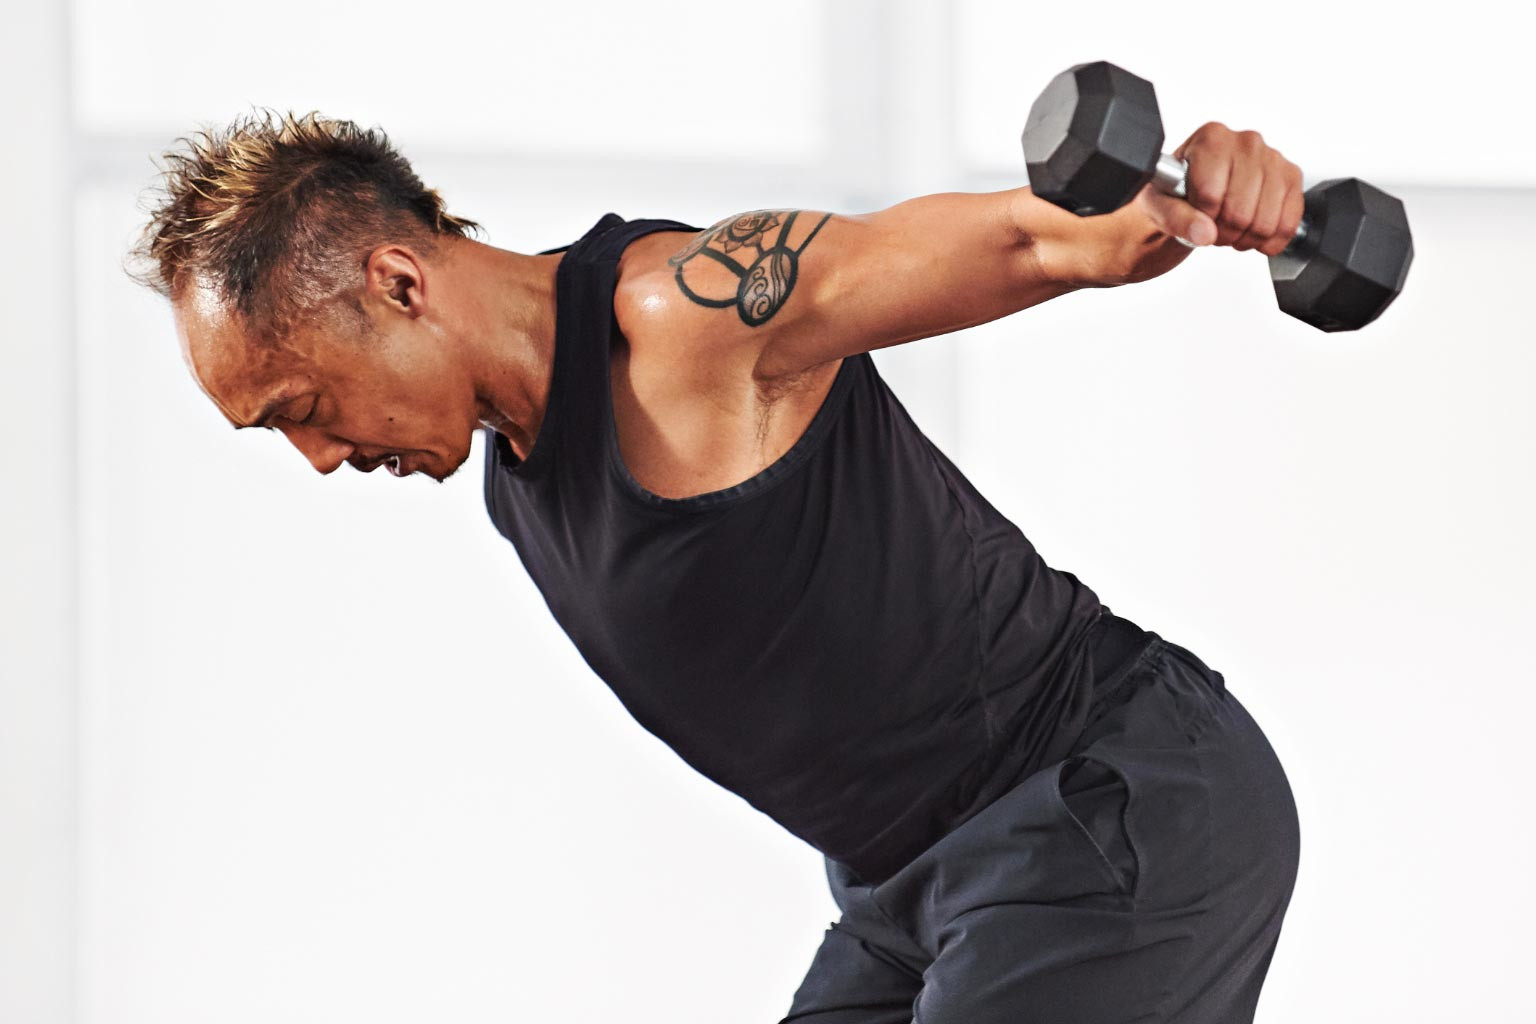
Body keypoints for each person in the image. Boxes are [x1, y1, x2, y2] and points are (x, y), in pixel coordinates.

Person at [129, 110, 1302, 1022]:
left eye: (304, 407)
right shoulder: (519, 478)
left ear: (397, 282)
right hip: (910, 886)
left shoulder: (686, 319)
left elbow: (1026, 235)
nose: (321, 457)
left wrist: (1182, 206)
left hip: (1103, 797)